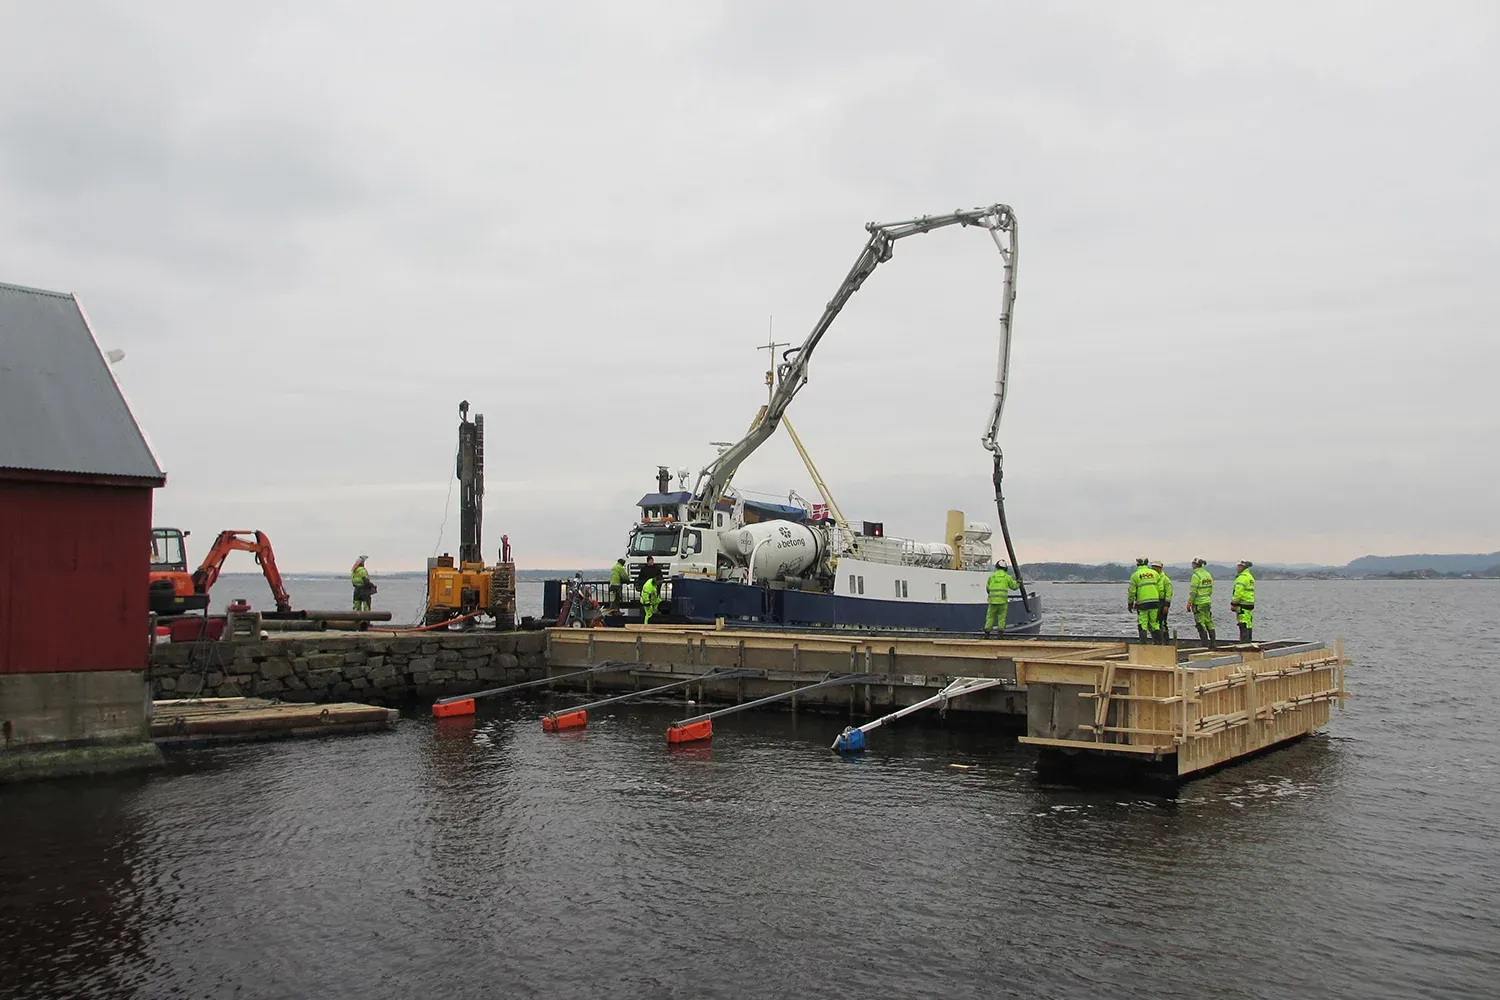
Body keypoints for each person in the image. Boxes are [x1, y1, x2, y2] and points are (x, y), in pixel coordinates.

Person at [1127, 557, 1163, 643]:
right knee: (1154, 624)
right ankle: (1159, 645)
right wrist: (1161, 602)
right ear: (1147, 564)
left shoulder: (1135, 575)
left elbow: (1131, 591)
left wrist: (1130, 603)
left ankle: (1143, 645)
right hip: (1155, 603)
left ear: (1137, 564)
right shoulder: (1155, 574)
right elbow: (1161, 589)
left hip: (1142, 604)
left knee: (1143, 624)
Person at [984, 560, 1019, 634]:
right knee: (1001, 618)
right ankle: (1000, 634)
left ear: (996, 567)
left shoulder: (992, 577)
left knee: (990, 617)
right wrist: (1019, 583)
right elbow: (1014, 587)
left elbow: (987, 588)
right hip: (1002, 601)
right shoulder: (1007, 577)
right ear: (1005, 568)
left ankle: (987, 632)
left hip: (992, 601)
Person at [1188, 558, 1216, 646]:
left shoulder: (1196, 576)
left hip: (1198, 602)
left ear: (1195, 565)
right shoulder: (1208, 575)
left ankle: (1204, 643)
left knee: (1200, 622)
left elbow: (1193, 591)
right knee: (1208, 621)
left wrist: (1189, 602)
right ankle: (1213, 642)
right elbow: (1210, 589)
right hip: (1207, 601)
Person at [1230, 560, 1256, 642]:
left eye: (1238, 566)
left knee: (1243, 623)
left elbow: (1238, 592)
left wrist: (1233, 603)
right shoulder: (1250, 577)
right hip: (1249, 603)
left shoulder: (1241, 578)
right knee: (1248, 623)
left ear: (1242, 567)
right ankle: (1248, 640)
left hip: (1242, 604)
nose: (1237, 568)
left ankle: (1244, 642)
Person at [1151, 560, 1172, 642]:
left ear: (1160, 568)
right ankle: (1156, 641)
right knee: (1154, 623)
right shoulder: (1152, 579)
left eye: (1155, 568)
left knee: (1162, 623)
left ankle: (1165, 641)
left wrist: (1166, 605)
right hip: (1154, 603)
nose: (1153, 569)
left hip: (1162, 603)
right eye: (1152, 568)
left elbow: (1168, 593)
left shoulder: (1165, 580)